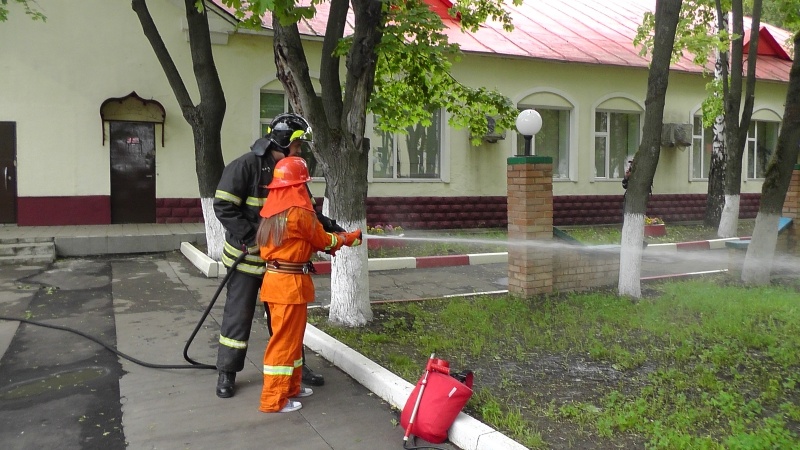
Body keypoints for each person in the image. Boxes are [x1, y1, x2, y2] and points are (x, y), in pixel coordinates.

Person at [212, 113, 339, 398]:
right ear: (283, 141)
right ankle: (227, 373)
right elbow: (223, 207)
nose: (300, 150)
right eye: (297, 144)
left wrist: (330, 226)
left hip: (280, 268)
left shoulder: (292, 170)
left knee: (286, 323)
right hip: (247, 260)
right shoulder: (245, 166)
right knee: (238, 316)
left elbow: (307, 212)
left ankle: (297, 369)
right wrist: (252, 238)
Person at [255, 156, 362, 412]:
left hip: (279, 282)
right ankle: (273, 399)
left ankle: (291, 387)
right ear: (297, 185)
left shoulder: (273, 210)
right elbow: (322, 240)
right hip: (289, 285)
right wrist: (347, 238)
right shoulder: (298, 213)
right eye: (303, 184)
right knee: (284, 343)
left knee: (292, 340)